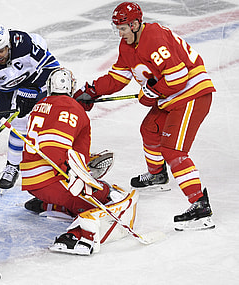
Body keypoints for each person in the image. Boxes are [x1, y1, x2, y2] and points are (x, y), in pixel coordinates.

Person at [73, 2, 215, 231]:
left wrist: (152, 91)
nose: (120, 33)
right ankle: (157, 175)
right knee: (149, 129)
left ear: (136, 24)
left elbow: (178, 77)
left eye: (123, 28)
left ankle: (200, 206)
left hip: (192, 95)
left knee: (173, 150)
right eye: (117, 28)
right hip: (171, 98)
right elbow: (117, 78)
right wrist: (93, 91)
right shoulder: (127, 46)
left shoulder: (154, 37)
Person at [20, 67, 138, 255]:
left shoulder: (40, 104)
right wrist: (74, 172)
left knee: (86, 188)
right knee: (108, 196)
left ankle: (48, 204)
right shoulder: (72, 109)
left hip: (30, 182)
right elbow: (54, 148)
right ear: (72, 87)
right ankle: (75, 235)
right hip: (52, 180)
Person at [0, 23, 60, 190]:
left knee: (20, 122)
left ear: (8, 45)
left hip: (33, 82)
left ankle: (13, 166)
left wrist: (32, 88)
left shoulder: (24, 44)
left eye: (1, 51)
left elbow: (52, 67)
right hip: (6, 88)